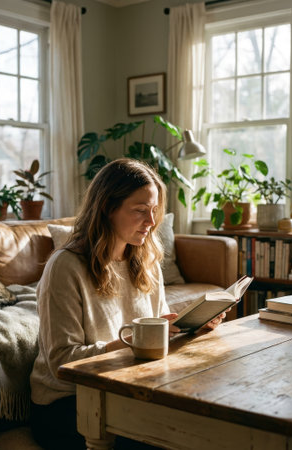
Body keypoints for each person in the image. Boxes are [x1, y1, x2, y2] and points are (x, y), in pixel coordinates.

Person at [29, 158, 226, 449]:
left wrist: (189, 328)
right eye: (140, 211)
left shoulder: (146, 259)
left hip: (128, 387)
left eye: (154, 210)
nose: (151, 221)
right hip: (68, 401)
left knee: (204, 423)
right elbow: (62, 362)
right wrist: (132, 342)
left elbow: (157, 334)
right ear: (108, 208)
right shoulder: (66, 266)